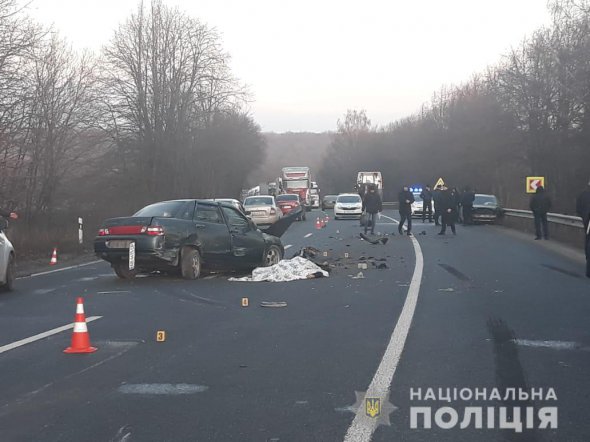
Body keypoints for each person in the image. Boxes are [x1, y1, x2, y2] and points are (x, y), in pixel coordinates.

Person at [575, 181, 590, 278]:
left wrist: (583, 217)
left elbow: (578, 208)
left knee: (588, 240)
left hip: (587, 221)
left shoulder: (583, 195)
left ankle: (588, 260)